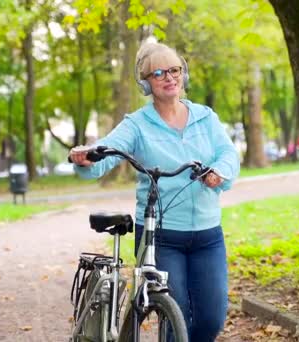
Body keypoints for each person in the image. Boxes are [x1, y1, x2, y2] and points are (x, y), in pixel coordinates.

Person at [69, 41, 240, 341]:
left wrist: (219, 173)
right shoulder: (137, 124)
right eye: (158, 72)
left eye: (174, 70)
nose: (169, 77)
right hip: (161, 236)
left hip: (207, 234)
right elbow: (104, 154)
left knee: (212, 318)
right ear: (145, 83)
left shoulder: (205, 117)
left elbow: (229, 154)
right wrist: (86, 157)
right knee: (176, 315)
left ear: (183, 74)